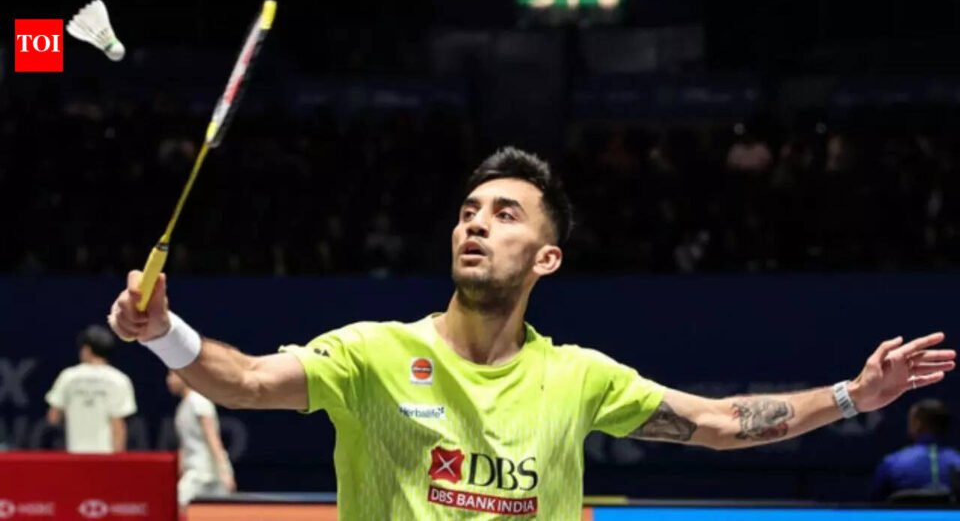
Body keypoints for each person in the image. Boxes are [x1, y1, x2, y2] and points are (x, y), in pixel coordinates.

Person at [107, 147, 956, 519]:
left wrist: (855, 396)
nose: (476, 223)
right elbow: (246, 380)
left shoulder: (578, 376)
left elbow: (721, 422)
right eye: (468, 211)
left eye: (505, 213)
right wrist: (162, 331)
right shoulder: (372, 353)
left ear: (547, 257)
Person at [45, 324, 137, 453]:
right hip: (106, 457)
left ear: (86, 350)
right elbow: (118, 425)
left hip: (75, 455)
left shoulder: (68, 377)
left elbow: (53, 417)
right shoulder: (119, 380)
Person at [166, 370, 235, 510]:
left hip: (205, 472)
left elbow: (212, 437)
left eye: (172, 374)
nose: (168, 380)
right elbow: (185, 445)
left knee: (174, 508)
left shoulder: (199, 400)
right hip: (194, 470)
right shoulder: (184, 405)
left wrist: (225, 470)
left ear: (185, 376)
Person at [872, 398, 960, 501]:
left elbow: (875, 504)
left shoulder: (891, 463)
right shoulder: (957, 461)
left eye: (910, 420)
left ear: (917, 424)